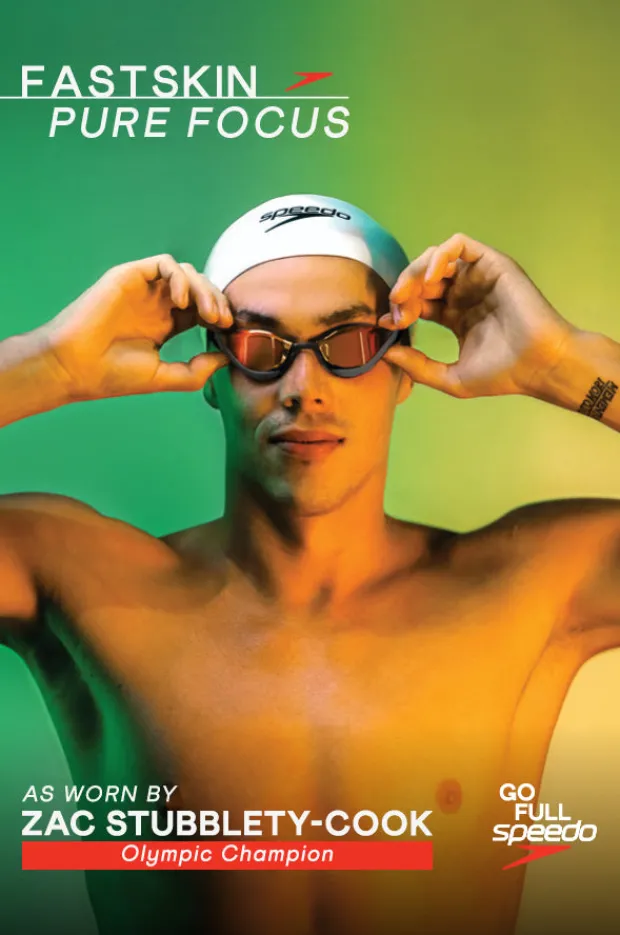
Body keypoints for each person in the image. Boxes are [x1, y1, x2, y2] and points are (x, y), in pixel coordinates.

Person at [1, 192, 619, 935]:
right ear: (213, 374)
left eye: (350, 343)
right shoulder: (80, 579)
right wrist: (52, 362)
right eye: (261, 348)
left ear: (403, 370)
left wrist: (565, 365)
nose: (303, 389)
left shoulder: (530, 585)